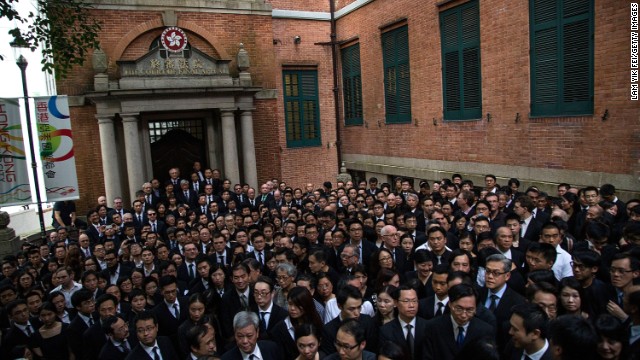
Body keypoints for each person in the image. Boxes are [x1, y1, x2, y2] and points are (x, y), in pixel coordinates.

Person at [424, 284, 495, 360]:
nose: (464, 315)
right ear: (450, 304)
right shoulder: (433, 327)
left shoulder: (485, 331)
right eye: (459, 309)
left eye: (469, 310)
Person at [321, 285, 379, 355]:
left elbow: (373, 351)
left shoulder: (367, 321)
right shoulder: (329, 330)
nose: (357, 313)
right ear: (339, 306)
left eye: (359, 307)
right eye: (351, 309)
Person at [379, 285, 427, 359]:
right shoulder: (386, 331)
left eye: (414, 301)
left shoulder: (428, 327)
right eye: (406, 301)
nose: (411, 305)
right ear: (396, 303)